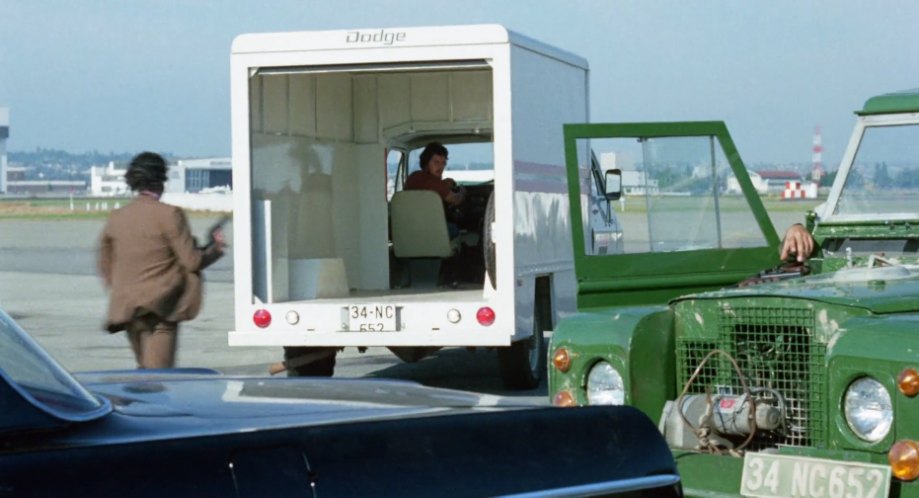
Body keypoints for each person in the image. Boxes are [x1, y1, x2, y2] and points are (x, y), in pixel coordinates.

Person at [98, 152, 225, 369]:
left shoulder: (117, 216)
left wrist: (124, 288)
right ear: (162, 180)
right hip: (160, 310)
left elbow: (105, 261)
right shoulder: (170, 214)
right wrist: (215, 249)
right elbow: (192, 261)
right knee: (158, 380)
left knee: (144, 373)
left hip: (128, 309)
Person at [404, 142, 465, 237]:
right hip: (430, 230)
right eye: (436, 162)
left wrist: (444, 183)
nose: (441, 167)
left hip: (409, 228)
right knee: (455, 228)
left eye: (443, 163)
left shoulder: (413, 177)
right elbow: (455, 200)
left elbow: (428, 186)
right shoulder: (435, 183)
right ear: (426, 162)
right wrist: (462, 192)